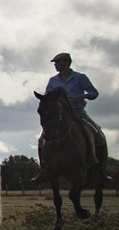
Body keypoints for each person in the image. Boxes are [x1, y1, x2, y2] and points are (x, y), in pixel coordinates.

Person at [45, 51, 109, 179]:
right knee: (43, 137)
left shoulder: (80, 77)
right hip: (60, 115)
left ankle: (98, 165)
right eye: (55, 63)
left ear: (67, 62)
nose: (55, 65)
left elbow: (94, 93)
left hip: (78, 112)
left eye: (58, 62)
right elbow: (47, 97)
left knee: (97, 133)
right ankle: (43, 167)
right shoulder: (53, 80)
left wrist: (82, 96)